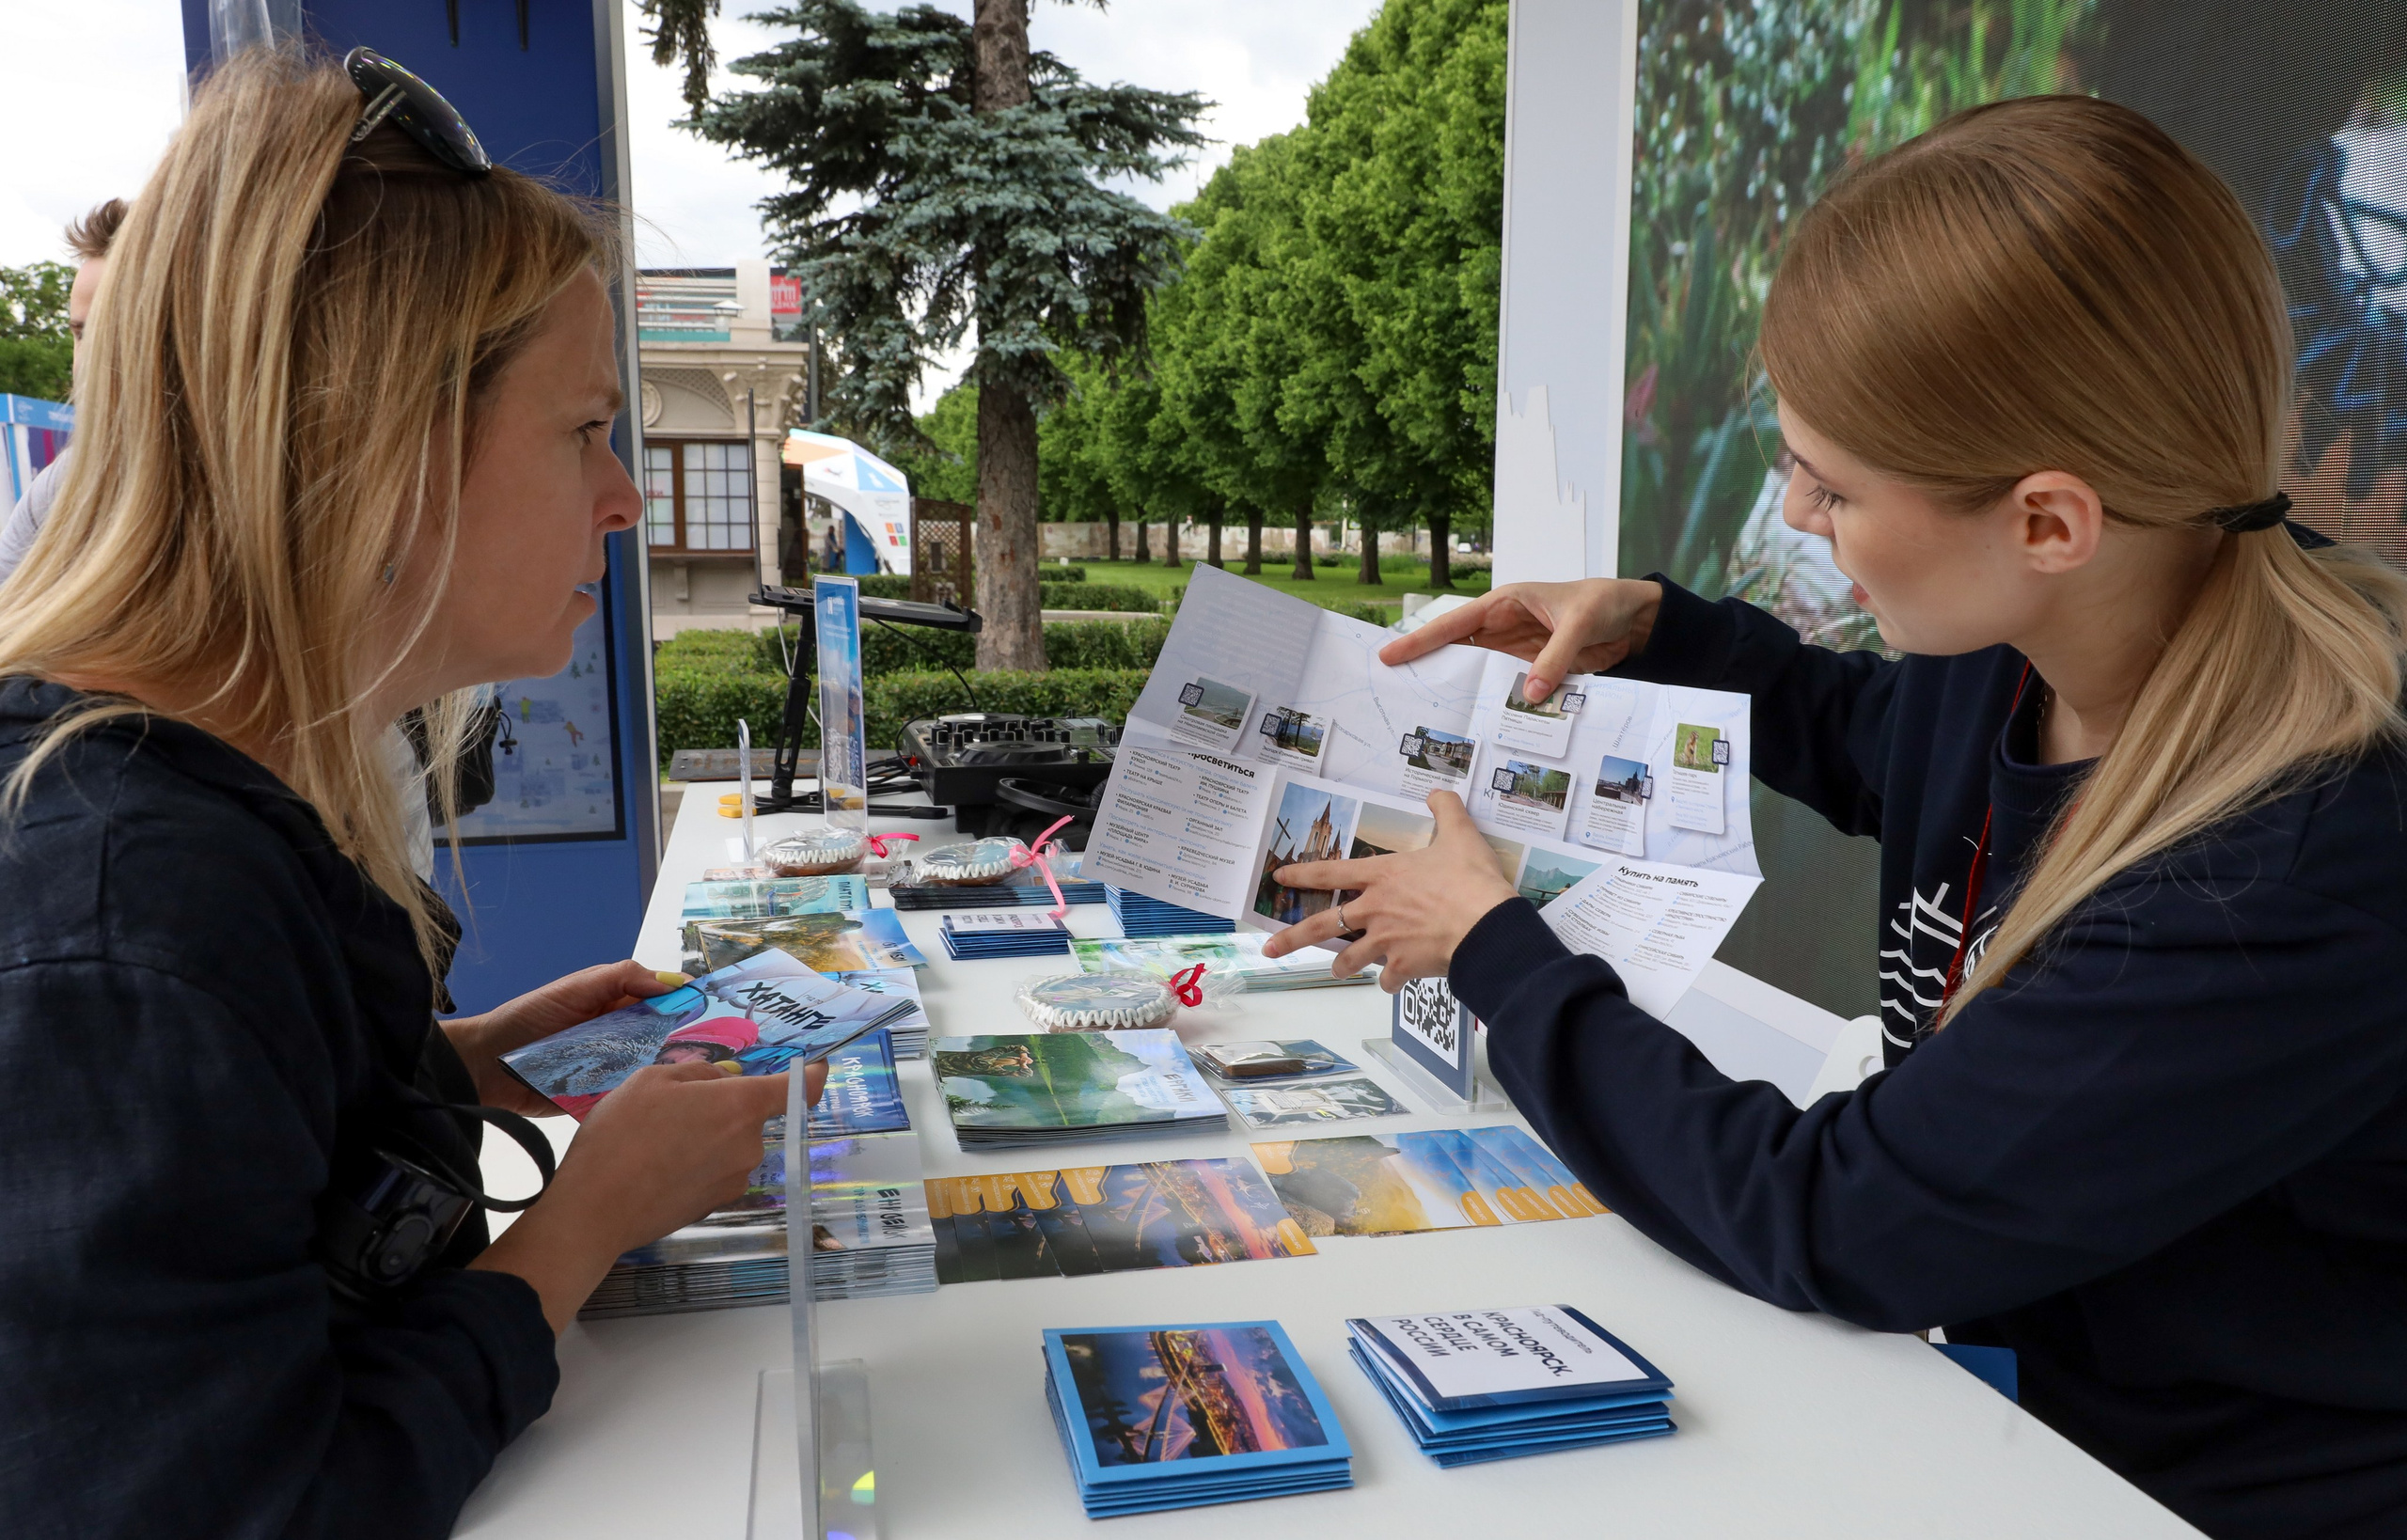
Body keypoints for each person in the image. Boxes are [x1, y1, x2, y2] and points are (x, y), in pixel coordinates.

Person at [1264, 96, 2407, 1540]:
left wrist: (1495, 946)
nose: (1794, 510)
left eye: (1836, 481)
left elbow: (1842, 1219)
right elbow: (1878, 737)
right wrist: (1661, 629)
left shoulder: (2289, 867)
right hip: (2015, 1423)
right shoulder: (2046, 637)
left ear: (2050, 521)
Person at [0, 49, 824, 1539]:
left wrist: (464, 1066)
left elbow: (235, 1168)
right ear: (374, 447)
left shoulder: (196, 824)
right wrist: (579, 1226)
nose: (628, 495)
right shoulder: (117, 920)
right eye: (583, 430)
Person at [0, 197, 123, 583]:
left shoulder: (265, 482)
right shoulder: (62, 486)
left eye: (116, 327)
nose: (88, 360)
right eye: (81, 333)